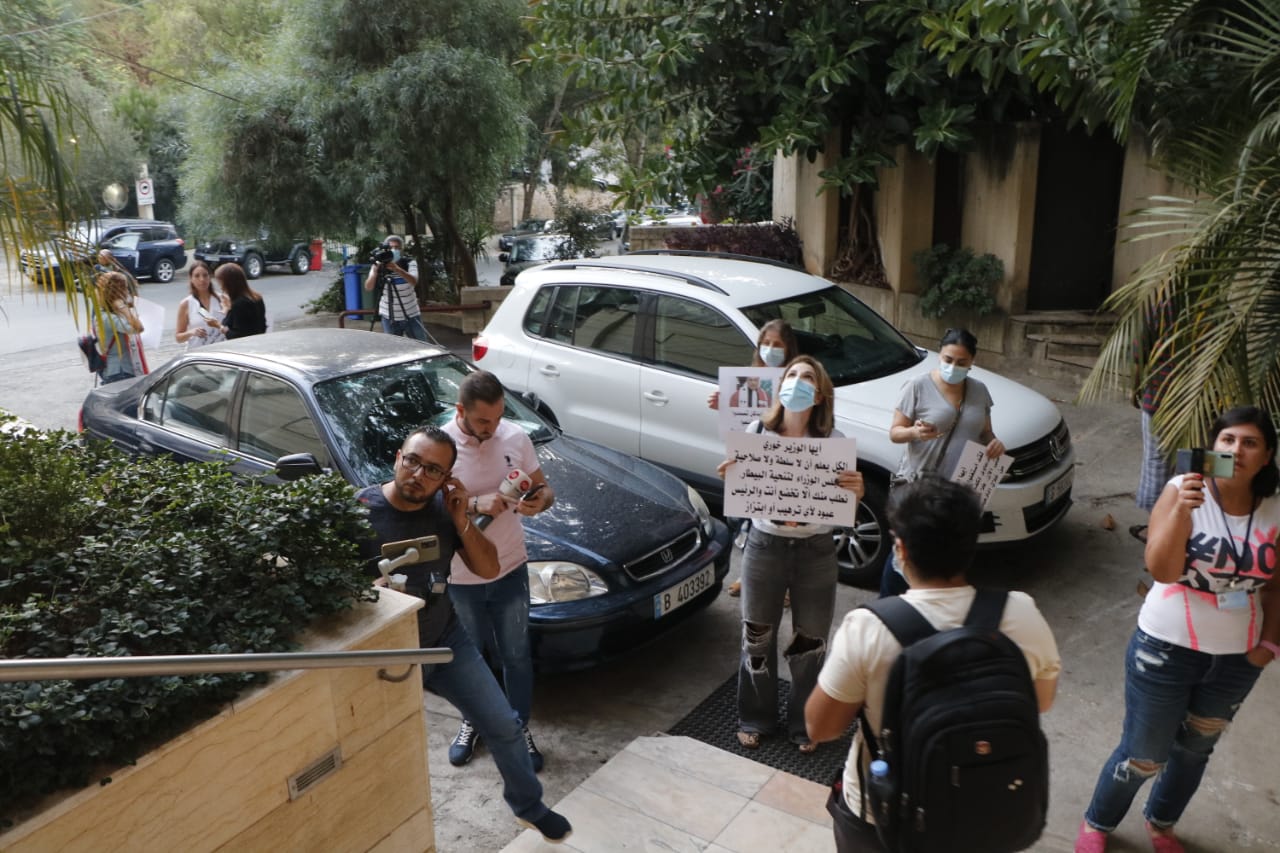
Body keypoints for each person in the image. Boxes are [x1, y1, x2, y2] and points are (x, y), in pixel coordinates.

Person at [806, 474, 1061, 852]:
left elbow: (820, 727)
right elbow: (1040, 701)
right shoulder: (1021, 614)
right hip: (986, 804)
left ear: (901, 550)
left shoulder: (869, 628)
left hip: (886, 815)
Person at [1074, 405, 1280, 853]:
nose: (1237, 450)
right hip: (1164, 650)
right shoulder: (1181, 490)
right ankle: (1098, 823)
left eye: (1250, 443)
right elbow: (1163, 571)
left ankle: (1162, 824)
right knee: (1143, 754)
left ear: (1267, 456)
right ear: (1213, 446)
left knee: (1194, 751)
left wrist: (1268, 646)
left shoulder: (1275, 509)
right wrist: (1184, 511)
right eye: (1227, 440)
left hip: (1237, 660)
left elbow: (1276, 587)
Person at [353, 426, 572, 844]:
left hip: (446, 640)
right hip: (388, 651)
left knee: (504, 724)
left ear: (446, 478)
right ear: (398, 457)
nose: (419, 475)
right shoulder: (360, 509)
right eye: (413, 461)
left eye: (433, 470)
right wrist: (368, 594)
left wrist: (460, 519)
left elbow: (489, 568)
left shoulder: (445, 510)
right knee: (381, 749)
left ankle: (530, 807)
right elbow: (330, 590)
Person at [716, 355, 865, 753]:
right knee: (756, 637)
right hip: (764, 547)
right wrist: (732, 478)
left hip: (817, 552)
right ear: (780, 386)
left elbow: (845, 511)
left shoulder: (834, 443)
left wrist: (857, 493)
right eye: (792, 375)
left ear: (819, 395)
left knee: (811, 644)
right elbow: (742, 496)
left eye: (807, 377)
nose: (797, 381)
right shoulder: (756, 433)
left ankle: (805, 723)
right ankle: (755, 718)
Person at [443, 370, 555, 771]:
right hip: (462, 574)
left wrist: (539, 502)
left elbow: (544, 488)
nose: (492, 428)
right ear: (460, 411)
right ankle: (472, 721)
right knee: (470, 658)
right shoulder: (441, 446)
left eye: (498, 417)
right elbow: (426, 508)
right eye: (483, 421)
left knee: (516, 655)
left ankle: (517, 727)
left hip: (510, 565)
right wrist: (476, 504)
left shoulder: (515, 437)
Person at [881, 327, 1004, 596]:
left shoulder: (979, 391)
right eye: (948, 359)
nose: (953, 367)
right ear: (939, 355)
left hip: (958, 490)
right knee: (907, 552)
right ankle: (889, 603)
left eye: (961, 362)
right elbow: (895, 433)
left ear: (972, 361)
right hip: (920, 487)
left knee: (945, 554)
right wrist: (914, 433)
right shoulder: (917, 386)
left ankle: (931, 603)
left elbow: (985, 431)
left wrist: (994, 443)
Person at [709, 318, 800, 597]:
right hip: (753, 460)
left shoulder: (799, 379)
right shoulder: (748, 377)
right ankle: (748, 575)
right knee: (748, 521)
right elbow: (741, 422)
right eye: (765, 343)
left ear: (789, 348)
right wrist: (723, 405)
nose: (770, 349)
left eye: (777, 344)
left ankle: (786, 584)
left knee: (784, 525)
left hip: (784, 462)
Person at [364, 234, 430, 341]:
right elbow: (368, 287)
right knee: (393, 347)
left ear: (401, 249)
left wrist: (397, 269)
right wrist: (375, 271)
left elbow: (414, 281)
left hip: (411, 314)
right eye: (391, 247)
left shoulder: (409, 262)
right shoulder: (379, 264)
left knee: (421, 345)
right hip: (389, 316)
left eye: (397, 247)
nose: (394, 250)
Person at [94, 270, 146, 384]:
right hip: (119, 371)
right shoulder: (109, 318)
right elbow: (139, 328)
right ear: (117, 292)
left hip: (114, 369)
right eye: (125, 288)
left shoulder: (103, 313)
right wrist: (122, 307)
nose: (128, 292)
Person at [205, 263, 266, 339]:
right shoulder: (257, 297)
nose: (221, 287)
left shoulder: (238, 304)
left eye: (221, 283)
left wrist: (218, 325)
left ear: (229, 283)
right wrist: (228, 309)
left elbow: (237, 335)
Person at [174, 261, 226, 349]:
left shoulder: (222, 299)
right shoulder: (186, 304)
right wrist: (191, 332)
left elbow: (233, 327)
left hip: (220, 351)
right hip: (198, 352)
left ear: (210, 277)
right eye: (197, 276)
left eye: (205, 275)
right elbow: (178, 338)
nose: (202, 279)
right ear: (191, 278)